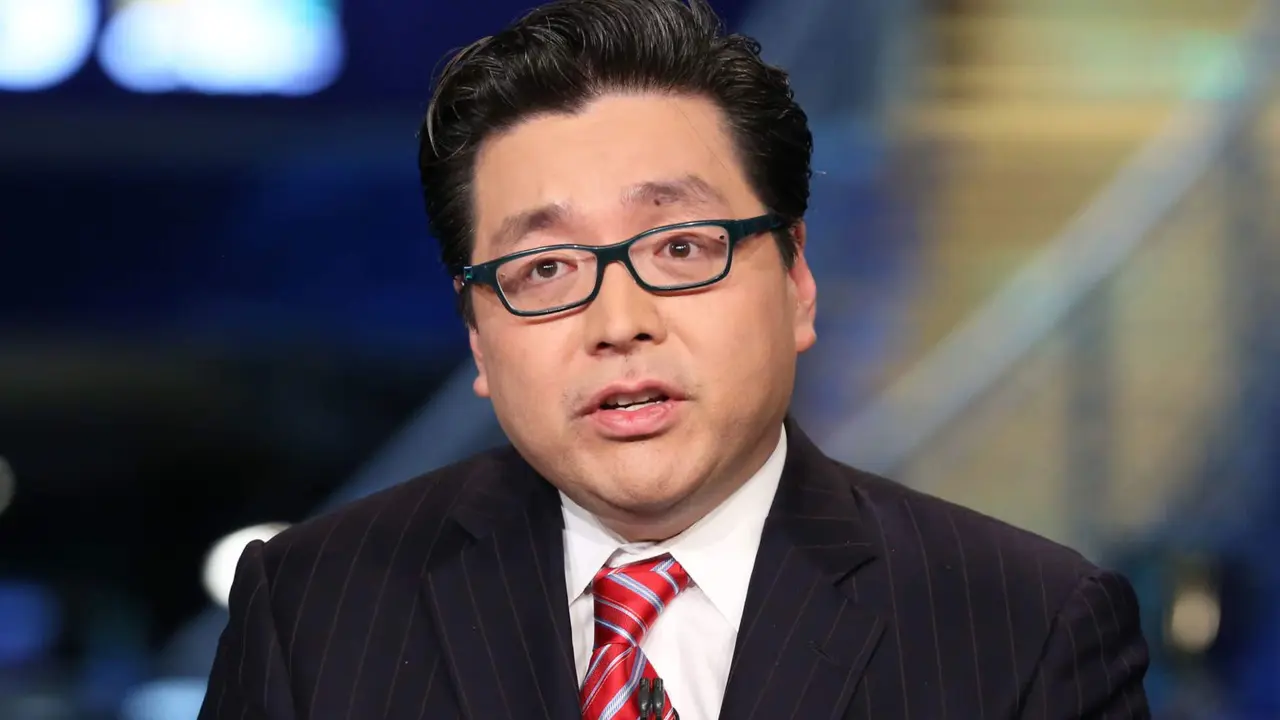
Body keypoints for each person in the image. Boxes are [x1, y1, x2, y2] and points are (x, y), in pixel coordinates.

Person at [198, 1, 1150, 718]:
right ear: (478, 338)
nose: (619, 322)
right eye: (545, 268)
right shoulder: (314, 611)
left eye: (681, 248)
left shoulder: (1025, 627)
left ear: (797, 282)